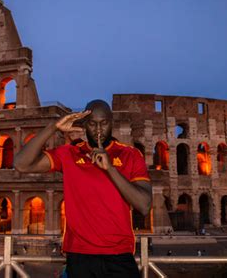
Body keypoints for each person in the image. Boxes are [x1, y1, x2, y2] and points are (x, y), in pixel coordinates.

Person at [14, 99, 152, 278]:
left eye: (104, 123)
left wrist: (110, 168)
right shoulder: (70, 153)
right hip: (80, 255)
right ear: (85, 125)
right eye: (93, 124)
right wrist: (53, 127)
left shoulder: (130, 155)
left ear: (112, 122)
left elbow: (144, 205)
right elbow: (21, 164)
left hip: (119, 255)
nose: (99, 129)